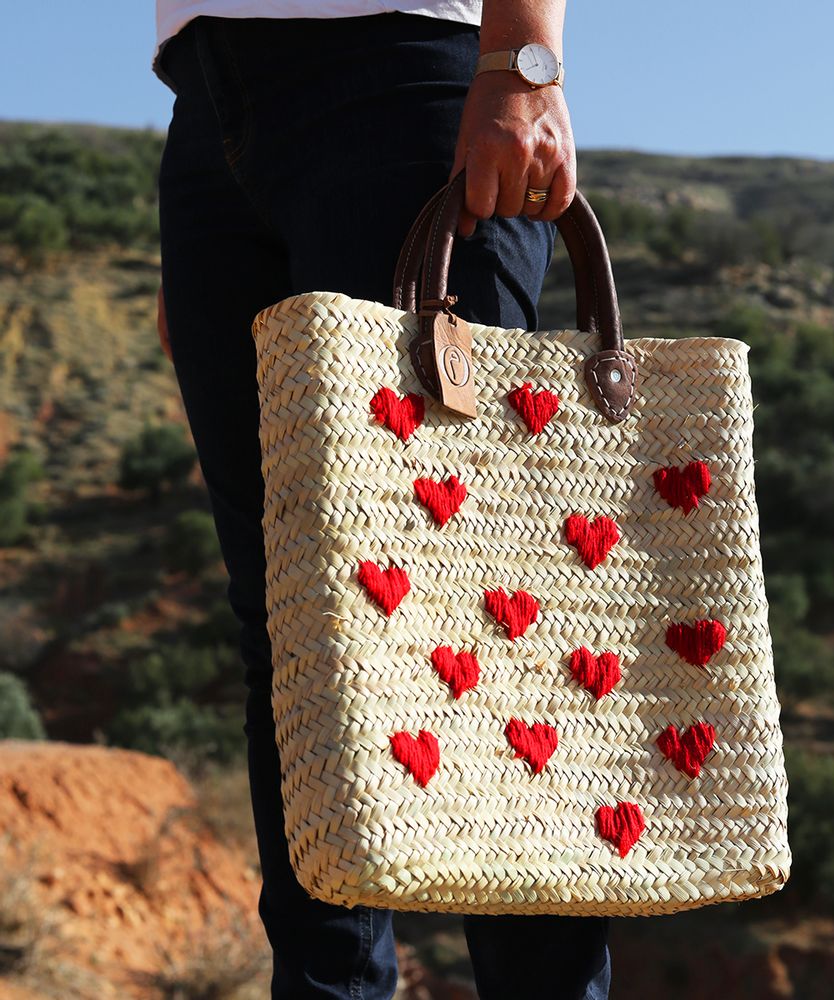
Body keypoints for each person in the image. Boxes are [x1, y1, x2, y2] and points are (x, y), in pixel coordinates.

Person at [153, 2, 613, 998]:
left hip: (403, 79)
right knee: (292, 632)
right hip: (211, 107)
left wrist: (524, 61)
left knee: (495, 629)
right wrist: (219, 188)